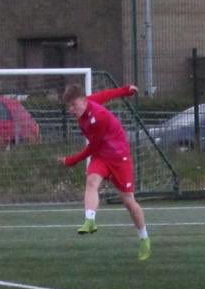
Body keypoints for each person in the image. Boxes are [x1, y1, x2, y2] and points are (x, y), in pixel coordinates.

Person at [58, 84, 151, 261]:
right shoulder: (88, 103)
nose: (71, 110)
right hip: (102, 156)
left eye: (74, 105)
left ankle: (144, 238)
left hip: (119, 157)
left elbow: (93, 147)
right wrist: (125, 90)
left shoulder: (98, 118)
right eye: (68, 106)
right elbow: (106, 94)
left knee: (128, 201)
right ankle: (90, 220)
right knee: (91, 181)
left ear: (83, 101)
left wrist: (71, 160)